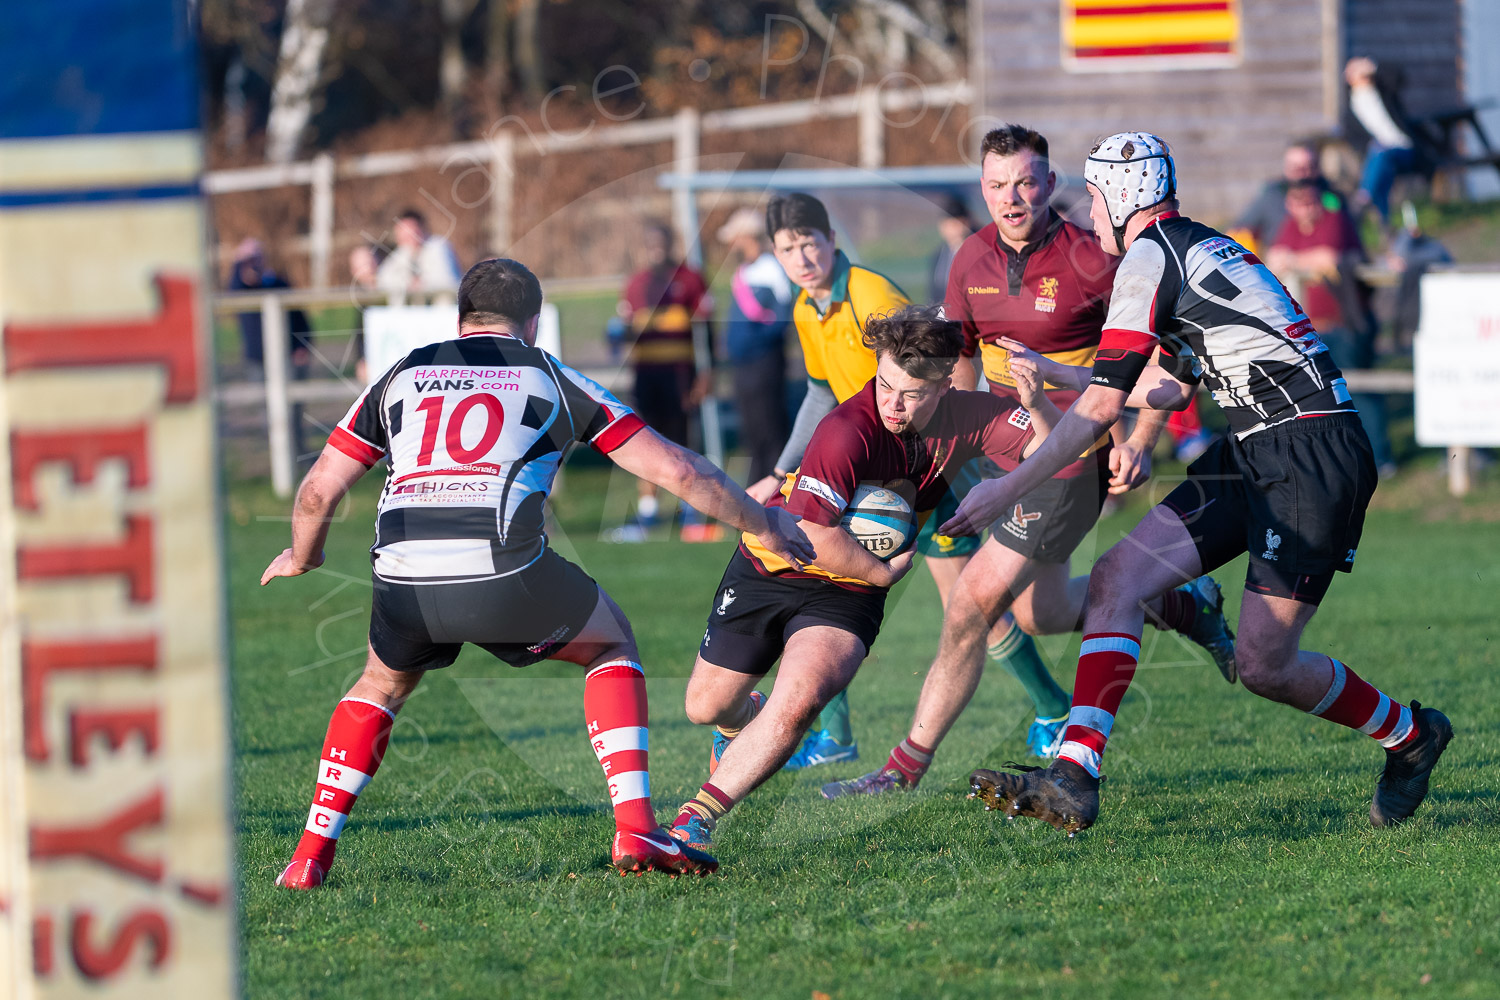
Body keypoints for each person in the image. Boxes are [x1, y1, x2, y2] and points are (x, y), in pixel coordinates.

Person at [262, 257, 816, 887]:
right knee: (611, 645)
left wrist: (303, 556)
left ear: (461, 317)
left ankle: (308, 856)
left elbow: (316, 492)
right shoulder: (548, 375)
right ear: (532, 323)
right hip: (504, 573)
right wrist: (764, 524)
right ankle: (636, 828)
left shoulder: (403, 373)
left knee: (380, 684)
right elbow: (680, 472)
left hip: (402, 579)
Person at [954, 132, 1450, 834]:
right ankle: (1075, 774)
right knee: (1117, 579)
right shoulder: (1193, 247)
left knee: (1263, 665)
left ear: (1121, 197)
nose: (1091, 217)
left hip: (1309, 455)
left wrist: (1005, 490)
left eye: (1094, 200)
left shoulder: (1150, 258)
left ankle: (1410, 735)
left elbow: (1103, 407)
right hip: (1253, 444)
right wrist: (1067, 375)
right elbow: (1164, 384)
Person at [821, 125, 1232, 802]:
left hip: (1070, 452)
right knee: (1040, 614)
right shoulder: (969, 259)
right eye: (996, 184)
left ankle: (900, 771)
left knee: (971, 602)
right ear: (981, 189)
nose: (1011, 198)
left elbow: (1170, 357)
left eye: (1024, 182)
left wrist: (1139, 438)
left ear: (1049, 185)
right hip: (998, 452)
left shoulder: (1095, 258)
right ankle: (1181, 606)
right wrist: (942, 451)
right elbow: (959, 361)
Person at [667, 304, 1060, 852]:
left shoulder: (969, 414)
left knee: (800, 698)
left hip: (846, 594)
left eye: (913, 393)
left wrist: (1037, 405)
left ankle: (692, 821)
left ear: (945, 384)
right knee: (705, 707)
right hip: (776, 562)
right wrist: (881, 572)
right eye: (885, 385)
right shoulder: (846, 429)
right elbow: (818, 534)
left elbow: (1052, 452)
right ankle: (744, 720)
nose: (893, 404)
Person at [743, 192, 975, 770]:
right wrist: (778, 472)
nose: (801, 258)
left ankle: (1050, 708)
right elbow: (821, 392)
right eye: (786, 249)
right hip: (860, 468)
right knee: (823, 585)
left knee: (974, 608)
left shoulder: (872, 295)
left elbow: (946, 356)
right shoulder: (804, 307)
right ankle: (835, 737)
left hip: (923, 468)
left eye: (809, 243)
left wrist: (958, 436)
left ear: (832, 240)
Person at [1267, 181, 1394, 476]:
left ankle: (1381, 459)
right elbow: (1272, 258)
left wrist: (1294, 260)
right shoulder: (1290, 226)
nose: (1305, 208)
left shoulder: (1335, 220)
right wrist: (1302, 260)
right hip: (1314, 329)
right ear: (1290, 205)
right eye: (1299, 202)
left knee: (1360, 388)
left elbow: (1330, 257)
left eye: (1310, 201)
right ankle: (1339, 461)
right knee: (1323, 397)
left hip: (1347, 324)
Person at [616, 221, 715, 528]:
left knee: (683, 438)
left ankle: (689, 509)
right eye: (651, 243)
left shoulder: (690, 279)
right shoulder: (635, 284)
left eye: (661, 242)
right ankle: (648, 509)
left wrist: (707, 372)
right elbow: (625, 330)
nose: (656, 248)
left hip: (680, 374)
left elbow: (706, 330)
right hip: (646, 375)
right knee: (645, 438)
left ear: (671, 243)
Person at [717, 207, 793, 485]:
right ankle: (754, 489)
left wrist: (755, 342)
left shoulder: (771, 268)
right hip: (744, 365)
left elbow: (783, 315)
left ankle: (774, 489)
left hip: (763, 363)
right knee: (752, 431)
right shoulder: (746, 271)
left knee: (769, 429)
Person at [229, 237, 316, 456]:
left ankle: (298, 456)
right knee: (268, 414)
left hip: (287, 358)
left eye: (256, 257)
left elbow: (300, 318)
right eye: (248, 258)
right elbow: (234, 290)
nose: (253, 263)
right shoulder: (238, 289)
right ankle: (278, 461)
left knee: (293, 411)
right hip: (258, 360)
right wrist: (239, 266)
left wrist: (302, 346)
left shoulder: (278, 284)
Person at [1230, 141, 1348, 253]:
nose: (1301, 174)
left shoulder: (1333, 197)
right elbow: (1240, 231)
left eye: (1307, 167)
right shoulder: (1271, 197)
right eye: (1295, 167)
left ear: (1317, 168)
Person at [1345, 57, 1418, 225]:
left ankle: (1362, 198)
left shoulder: (1385, 92)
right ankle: (1384, 223)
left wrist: (1373, 67)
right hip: (1379, 155)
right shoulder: (1350, 110)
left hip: (1404, 149)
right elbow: (1356, 141)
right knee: (1382, 169)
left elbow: (1400, 77)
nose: (1363, 76)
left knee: (1381, 153)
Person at [375, 208, 463, 296]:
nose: (409, 237)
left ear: (422, 229)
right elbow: (383, 280)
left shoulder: (438, 247)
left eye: (412, 232)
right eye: (404, 234)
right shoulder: (402, 252)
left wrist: (422, 284)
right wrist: (407, 283)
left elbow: (447, 281)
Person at [928, 191, 975, 304]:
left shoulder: (979, 252)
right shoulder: (939, 255)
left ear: (966, 223)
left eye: (956, 223)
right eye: (948, 224)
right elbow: (933, 292)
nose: (952, 228)